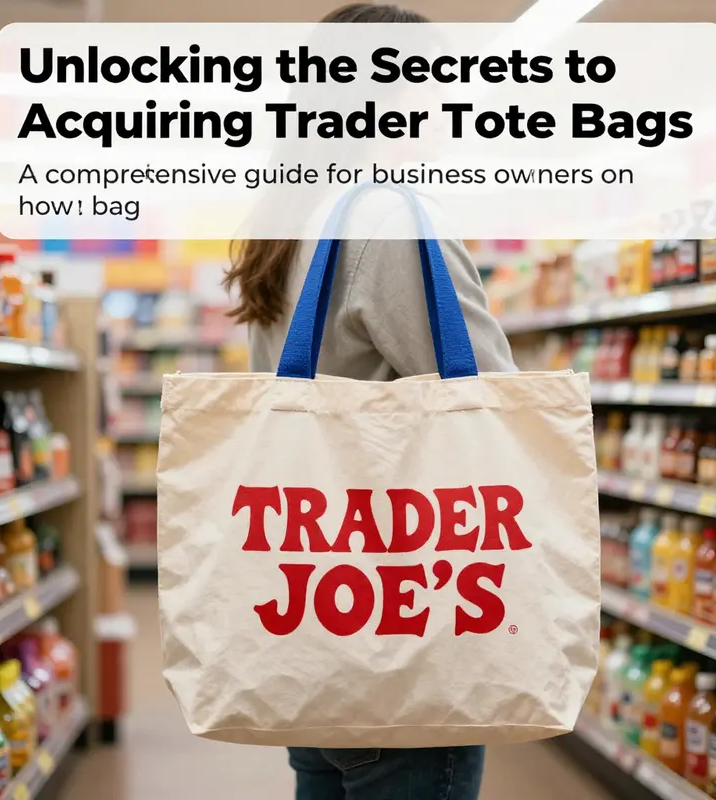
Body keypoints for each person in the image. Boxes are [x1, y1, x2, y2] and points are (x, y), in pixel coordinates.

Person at [224, 5, 515, 798]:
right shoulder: (393, 218)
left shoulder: (291, 215)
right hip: (404, 621)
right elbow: (494, 408)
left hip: (321, 616)